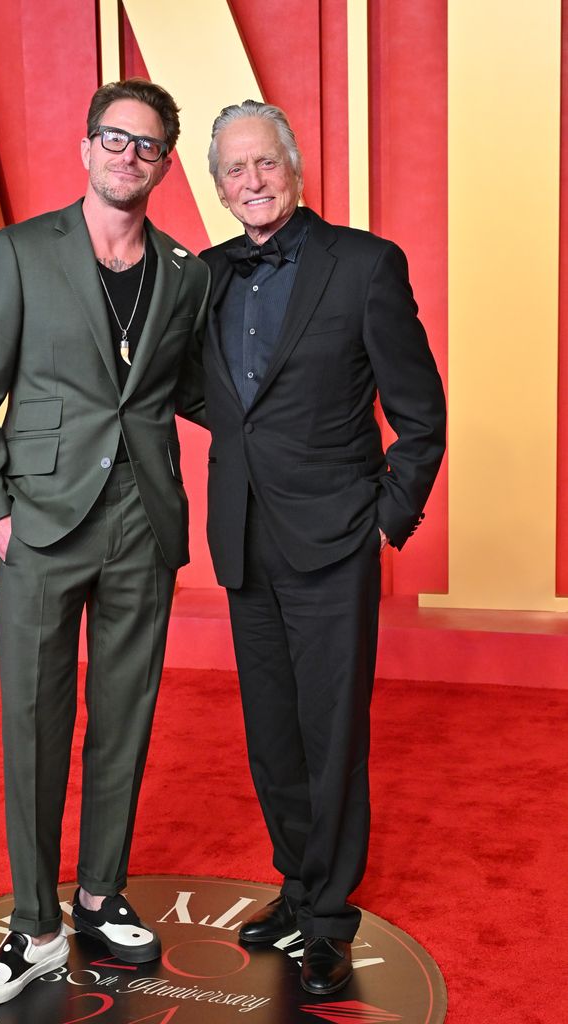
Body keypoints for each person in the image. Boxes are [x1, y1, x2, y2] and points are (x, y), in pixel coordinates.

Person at [0, 78, 208, 1007]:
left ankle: (100, 894)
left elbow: (193, 392)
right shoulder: (19, 251)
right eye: (114, 138)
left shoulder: (187, 271)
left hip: (144, 520)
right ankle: (33, 924)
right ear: (85, 147)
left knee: (124, 716)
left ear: (165, 165)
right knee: (33, 721)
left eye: (146, 146)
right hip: (42, 525)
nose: (127, 156)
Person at [199, 100, 446, 996]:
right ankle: (297, 887)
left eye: (265, 163)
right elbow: (212, 393)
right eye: (234, 169)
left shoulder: (367, 265)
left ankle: (331, 918)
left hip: (335, 541)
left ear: (295, 169)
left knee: (330, 732)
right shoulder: (208, 274)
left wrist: (384, 520)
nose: (252, 181)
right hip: (244, 540)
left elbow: (421, 415)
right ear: (218, 184)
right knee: (272, 737)